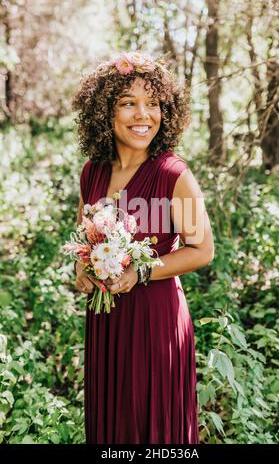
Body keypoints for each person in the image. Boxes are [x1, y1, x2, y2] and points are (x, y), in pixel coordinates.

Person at [72, 51, 214, 444]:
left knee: (151, 426)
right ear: (106, 112)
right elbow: (82, 238)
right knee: (113, 423)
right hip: (107, 318)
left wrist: (142, 272)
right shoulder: (93, 170)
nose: (143, 115)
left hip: (156, 320)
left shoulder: (173, 174)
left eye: (153, 103)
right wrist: (82, 270)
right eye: (128, 103)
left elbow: (202, 250)